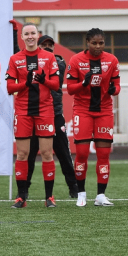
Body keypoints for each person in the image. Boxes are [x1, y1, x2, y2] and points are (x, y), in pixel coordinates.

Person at [6, 23, 61, 208]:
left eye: (33, 33)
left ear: (38, 36)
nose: (30, 36)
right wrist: (25, 84)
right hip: (22, 111)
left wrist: (43, 79)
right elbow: (9, 88)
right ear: (22, 37)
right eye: (26, 34)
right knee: (22, 154)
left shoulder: (49, 56)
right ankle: (21, 197)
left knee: (46, 153)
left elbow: (56, 84)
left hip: (45, 110)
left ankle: (49, 197)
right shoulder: (15, 59)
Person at [65, 28, 120, 207]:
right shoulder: (76, 60)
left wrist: (114, 90)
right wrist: (84, 83)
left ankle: (100, 196)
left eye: (101, 43)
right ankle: (81, 193)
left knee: (103, 154)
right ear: (87, 43)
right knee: (81, 153)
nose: (97, 46)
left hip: (104, 110)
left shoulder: (111, 60)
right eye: (94, 43)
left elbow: (117, 84)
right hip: (83, 110)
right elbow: (70, 88)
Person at [26, 35, 78, 201]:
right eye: (44, 45)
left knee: (63, 152)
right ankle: (23, 191)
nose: (48, 47)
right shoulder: (29, 60)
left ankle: (73, 187)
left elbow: (55, 76)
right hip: (34, 113)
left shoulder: (59, 61)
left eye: (50, 45)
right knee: (30, 153)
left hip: (54, 113)